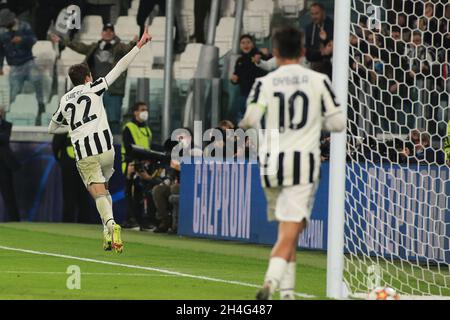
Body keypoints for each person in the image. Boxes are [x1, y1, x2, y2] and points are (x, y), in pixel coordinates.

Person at [239, 26, 345, 300]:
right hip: (302, 165)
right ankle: (270, 284)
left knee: (288, 228)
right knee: (291, 228)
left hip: (271, 164)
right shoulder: (317, 80)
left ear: (274, 53)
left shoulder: (265, 83)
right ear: (302, 52)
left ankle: (287, 294)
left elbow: (249, 120)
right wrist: (311, 121)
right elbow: (338, 123)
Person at [48, 27, 152, 253]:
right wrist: (139, 45)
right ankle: (107, 235)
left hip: (85, 154)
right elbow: (119, 66)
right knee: (104, 191)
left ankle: (111, 225)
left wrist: (71, 126)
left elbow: (51, 127)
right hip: (106, 150)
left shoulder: (65, 100)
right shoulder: (95, 88)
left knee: (98, 195)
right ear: (87, 77)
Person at [50, 23, 137, 134]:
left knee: (113, 119)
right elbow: (79, 46)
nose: (108, 32)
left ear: (114, 33)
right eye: (106, 30)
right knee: (91, 119)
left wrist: (134, 43)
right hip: (94, 89)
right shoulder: (94, 47)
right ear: (102, 33)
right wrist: (63, 41)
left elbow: (127, 49)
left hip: (113, 89)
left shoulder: (119, 46)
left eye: (110, 30)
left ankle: (115, 145)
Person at [0, 8, 45, 124]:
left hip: (28, 62)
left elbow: (34, 40)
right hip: (14, 66)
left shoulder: (24, 26)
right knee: (13, 92)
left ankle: (41, 107)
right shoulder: (2, 32)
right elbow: (1, 51)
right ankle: (6, 117)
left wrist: (22, 39)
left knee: (38, 80)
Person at [121, 102, 158, 231]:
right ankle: (131, 220)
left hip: (145, 165)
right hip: (131, 164)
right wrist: (133, 165)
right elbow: (128, 148)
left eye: (146, 109)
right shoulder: (129, 127)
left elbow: (149, 148)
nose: (145, 112)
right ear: (135, 112)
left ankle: (142, 221)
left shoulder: (147, 129)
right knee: (131, 193)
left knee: (142, 195)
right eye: (142, 110)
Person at [52, 132, 91, 223]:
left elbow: (56, 145)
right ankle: (84, 221)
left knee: (69, 195)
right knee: (83, 195)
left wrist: (61, 159)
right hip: (85, 162)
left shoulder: (64, 122)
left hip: (68, 162)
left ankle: (68, 221)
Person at [230, 34, 268, 123]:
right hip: (244, 95)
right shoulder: (239, 60)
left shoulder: (259, 56)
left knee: (259, 120)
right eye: (243, 43)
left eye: (248, 42)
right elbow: (237, 77)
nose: (246, 45)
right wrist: (233, 80)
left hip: (258, 95)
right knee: (241, 118)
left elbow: (268, 65)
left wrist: (264, 56)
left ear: (253, 44)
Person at [0, 106, 20, 222]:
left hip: (4, 165)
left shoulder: (7, 125)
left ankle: (15, 221)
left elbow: (4, 139)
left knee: (8, 195)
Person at [304, 3, 334, 71]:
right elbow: (307, 52)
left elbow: (329, 49)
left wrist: (326, 40)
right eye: (312, 14)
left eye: (317, 13)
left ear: (323, 12)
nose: (314, 16)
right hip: (312, 64)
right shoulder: (309, 28)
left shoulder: (330, 25)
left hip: (328, 65)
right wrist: (321, 52)